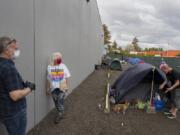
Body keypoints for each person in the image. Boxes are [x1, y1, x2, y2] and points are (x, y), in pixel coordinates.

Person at [0, 36, 35, 135]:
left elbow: (5, 85)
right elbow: (15, 96)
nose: (17, 51)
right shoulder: (8, 68)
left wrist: (22, 84)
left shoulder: (2, 64)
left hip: (5, 111)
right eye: (15, 48)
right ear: (7, 50)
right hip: (15, 112)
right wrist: (30, 88)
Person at [46, 52, 71, 124]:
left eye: (60, 58)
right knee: (56, 101)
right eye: (58, 58)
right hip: (53, 88)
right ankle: (60, 111)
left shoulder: (63, 66)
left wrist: (67, 87)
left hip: (62, 87)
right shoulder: (49, 67)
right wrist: (47, 88)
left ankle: (60, 114)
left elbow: (66, 76)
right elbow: (48, 78)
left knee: (60, 100)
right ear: (54, 59)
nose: (60, 59)